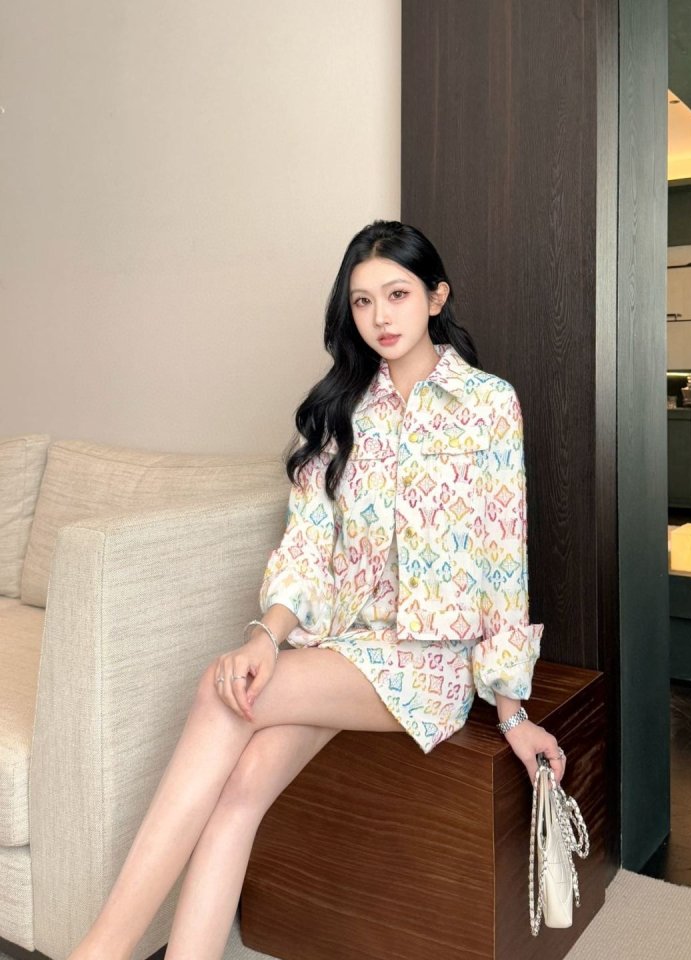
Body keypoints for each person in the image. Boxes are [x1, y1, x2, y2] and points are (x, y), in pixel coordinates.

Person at [68, 220, 565, 960]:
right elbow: (305, 544)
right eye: (362, 301)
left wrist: (511, 708)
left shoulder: (488, 405)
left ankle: (99, 951)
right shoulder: (343, 409)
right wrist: (265, 637)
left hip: (427, 661)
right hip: (340, 647)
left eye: (397, 295)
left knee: (219, 694)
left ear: (436, 297)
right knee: (241, 788)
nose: (380, 317)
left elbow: (503, 558)